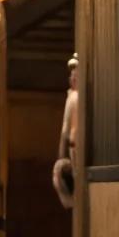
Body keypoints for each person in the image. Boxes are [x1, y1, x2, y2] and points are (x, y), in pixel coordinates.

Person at [52, 54, 77, 209]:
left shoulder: (74, 98)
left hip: (76, 148)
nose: (72, 78)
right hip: (73, 149)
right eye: (72, 75)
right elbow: (65, 131)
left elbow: (65, 132)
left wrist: (61, 158)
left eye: (75, 75)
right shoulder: (73, 97)